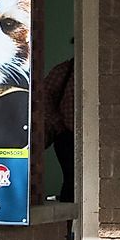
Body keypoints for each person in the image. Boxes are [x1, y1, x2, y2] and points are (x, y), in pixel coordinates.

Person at [37, 56, 76, 202]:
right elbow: (43, 97)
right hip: (67, 135)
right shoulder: (64, 70)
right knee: (71, 179)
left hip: (89, 136)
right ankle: (70, 223)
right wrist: (59, 125)